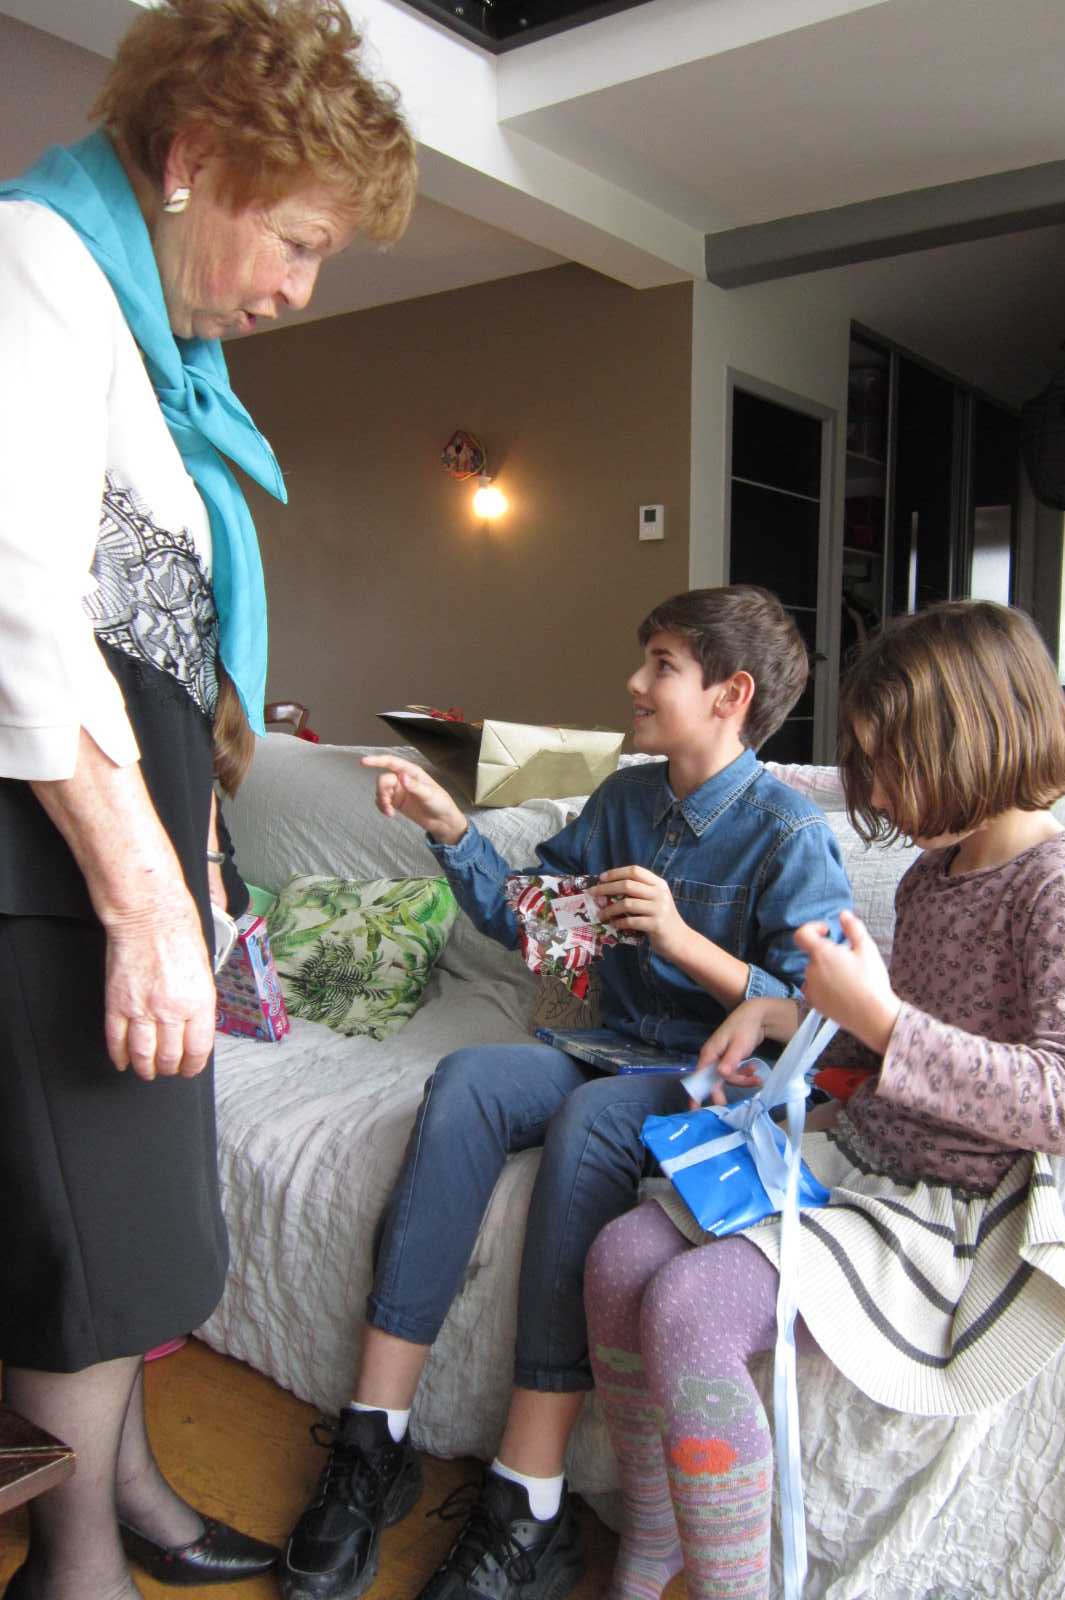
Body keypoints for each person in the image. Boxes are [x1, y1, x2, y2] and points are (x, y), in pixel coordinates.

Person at [0, 4, 416, 1597]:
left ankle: (134, 1494)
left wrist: (207, 859)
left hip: (129, 854)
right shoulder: (37, 261)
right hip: (53, 874)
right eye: (298, 241)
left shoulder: (150, 349)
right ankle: (76, 1568)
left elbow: (161, 660)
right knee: (94, 1255)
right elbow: (25, 616)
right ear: (192, 160)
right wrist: (141, 900)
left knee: (144, 1230)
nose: (299, 290)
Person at [281, 585, 854, 1600]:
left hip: (707, 1079)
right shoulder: (626, 800)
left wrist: (684, 942)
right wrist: (450, 827)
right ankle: (374, 1437)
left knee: (589, 1121)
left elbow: (822, 1014)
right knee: (468, 1079)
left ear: (730, 694)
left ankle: (527, 1500)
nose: (634, 682)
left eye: (662, 665)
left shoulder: (788, 832)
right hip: (601, 1045)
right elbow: (537, 926)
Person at [583, 599, 1065, 1600]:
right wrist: (779, 1014)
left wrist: (882, 1021)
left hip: (941, 1200)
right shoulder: (935, 876)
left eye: (892, 765)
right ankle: (654, 1536)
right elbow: (880, 1035)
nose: (878, 794)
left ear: (977, 736)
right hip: (863, 1153)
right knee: (618, 1256)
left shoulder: (1063, 887)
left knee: (687, 1306)